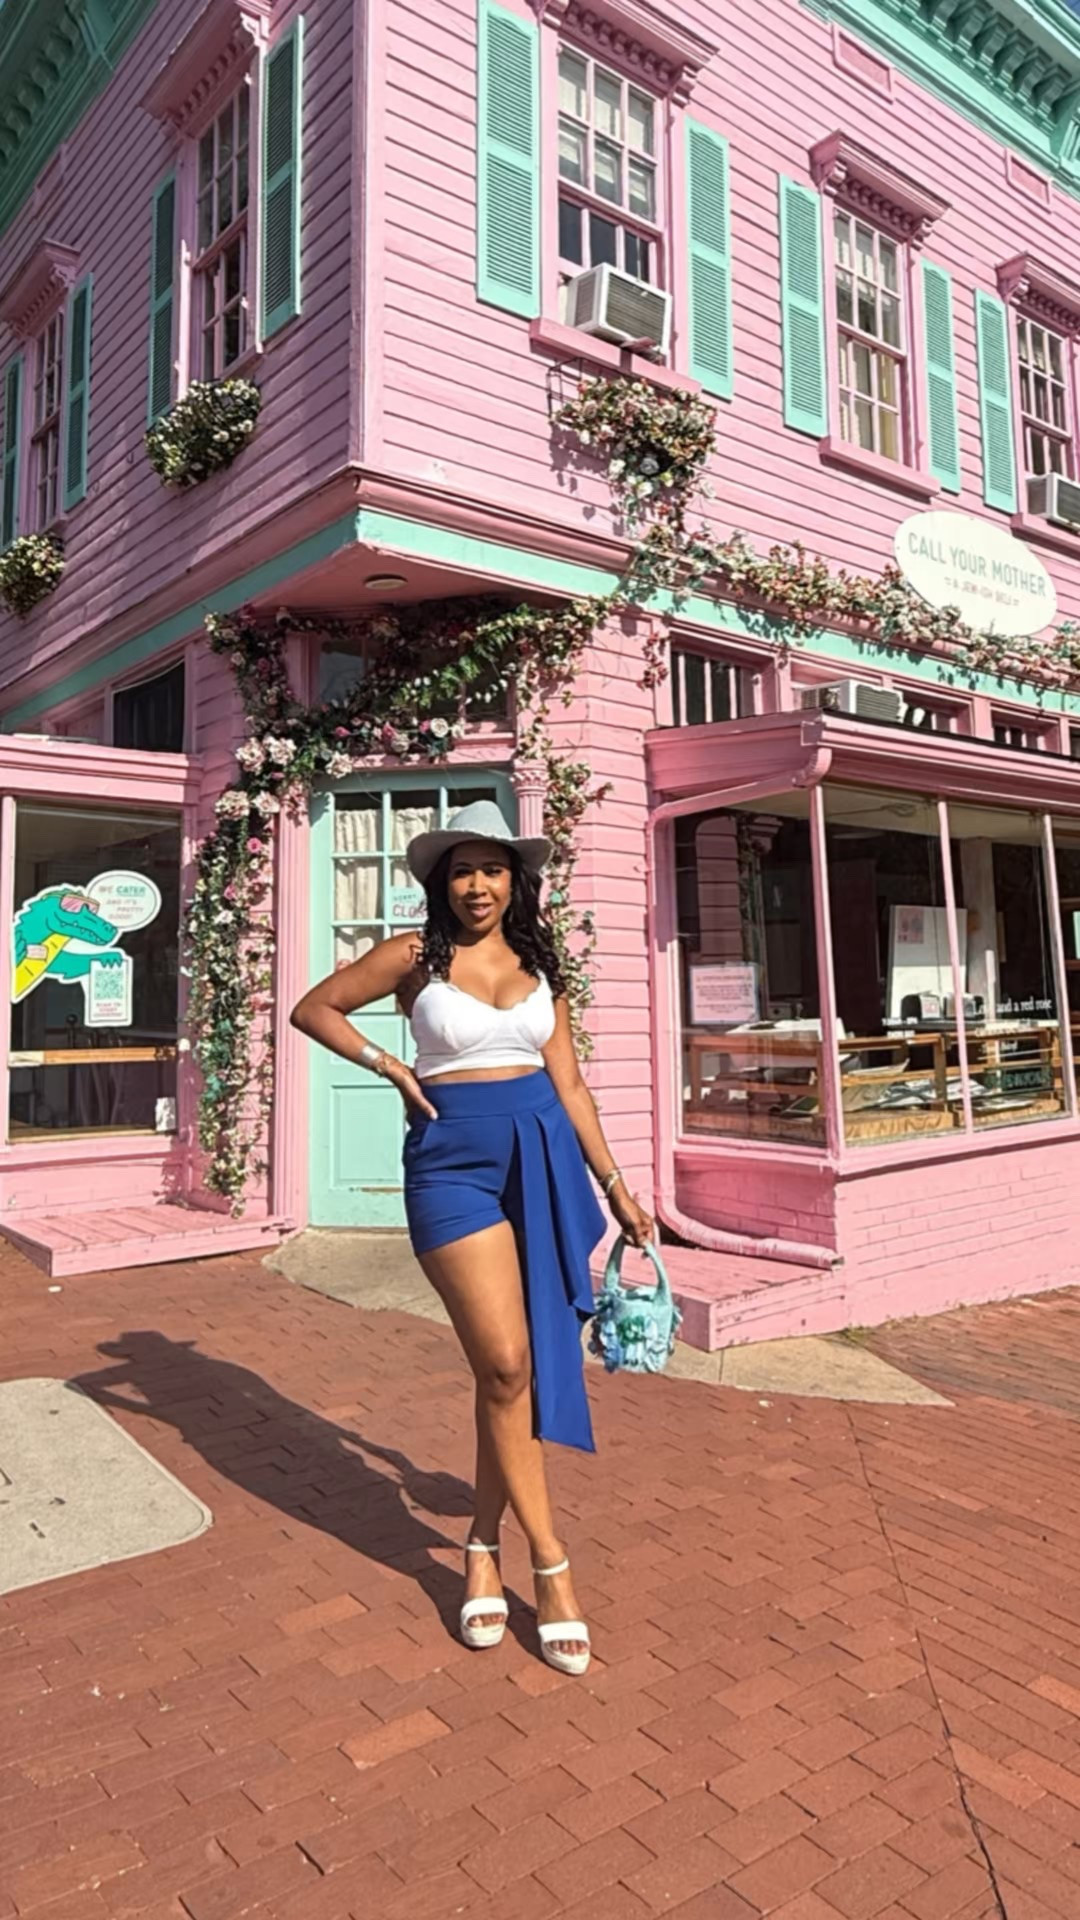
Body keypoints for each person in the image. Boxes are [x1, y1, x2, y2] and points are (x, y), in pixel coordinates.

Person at [291, 799, 653, 1676]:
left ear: (514, 880)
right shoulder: (417, 958)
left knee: (518, 1372)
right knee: (502, 1363)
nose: (477, 886)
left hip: (543, 1158)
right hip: (451, 1168)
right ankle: (553, 1565)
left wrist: (616, 1184)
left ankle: (482, 1543)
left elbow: (570, 1087)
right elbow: (315, 1008)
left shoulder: (538, 964)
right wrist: (391, 1067)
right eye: (461, 871)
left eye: (491, 869)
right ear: (440, 884)